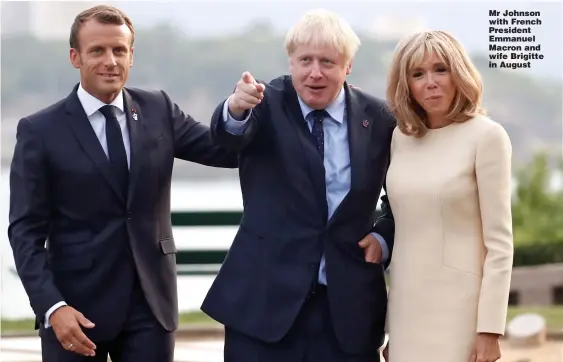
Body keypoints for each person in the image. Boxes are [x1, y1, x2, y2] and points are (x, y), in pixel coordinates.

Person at [7, 5, 237, 362]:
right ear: (75, 57)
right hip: (76, 313)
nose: (110, 61)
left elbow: (224, 151)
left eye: (119, 50)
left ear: (132, 55)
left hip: (151, 307)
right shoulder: (39, 131)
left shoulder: (158, 108)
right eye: (97, 51)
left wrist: (236, 113)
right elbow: (25, 232)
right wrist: (53, 307)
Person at [200, 8, 396, 362]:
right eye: (305, 60)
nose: (315, 73)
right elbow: (228, 135)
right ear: (290, 62)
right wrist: (235, 108)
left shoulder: (379, 119)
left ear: (348, 66)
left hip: (347, 310)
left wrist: (384, 236)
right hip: (263, 307)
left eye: (328, 62)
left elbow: (405, 194)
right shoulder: (263, 103)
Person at [382, 30, 514, 362]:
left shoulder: (487, 137)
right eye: (418, 74)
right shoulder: (400, 139)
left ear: (459, 73)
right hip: (406, 310)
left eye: (441, 69)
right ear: (406, 84)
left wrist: (490, 330)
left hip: (460, 313)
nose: (431, 82)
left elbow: (499, 245)